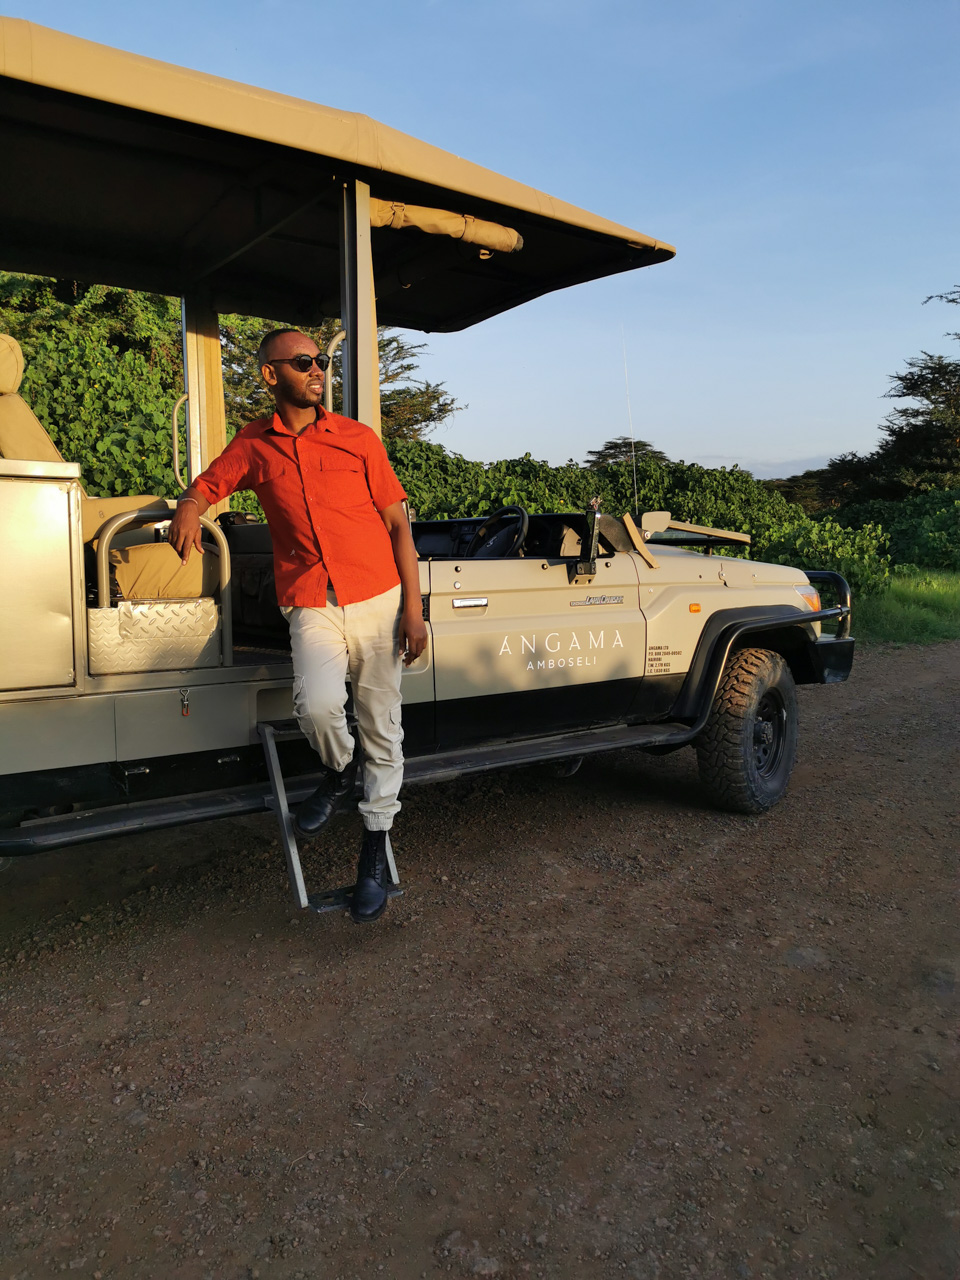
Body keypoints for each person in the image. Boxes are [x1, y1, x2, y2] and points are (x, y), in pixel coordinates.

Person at [167, 328, 427, 924]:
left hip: (378, 598)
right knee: (315, 708)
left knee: (383, 730)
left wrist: (414, 610)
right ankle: (339, 771)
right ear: (271, 375)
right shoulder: (255, 444)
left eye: (322, 361)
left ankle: (371, 857)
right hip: (311, 600)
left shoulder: (358, 439)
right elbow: (211, 483)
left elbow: (398, 528)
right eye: (305, 362)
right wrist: (188, 506)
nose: (318, 370)